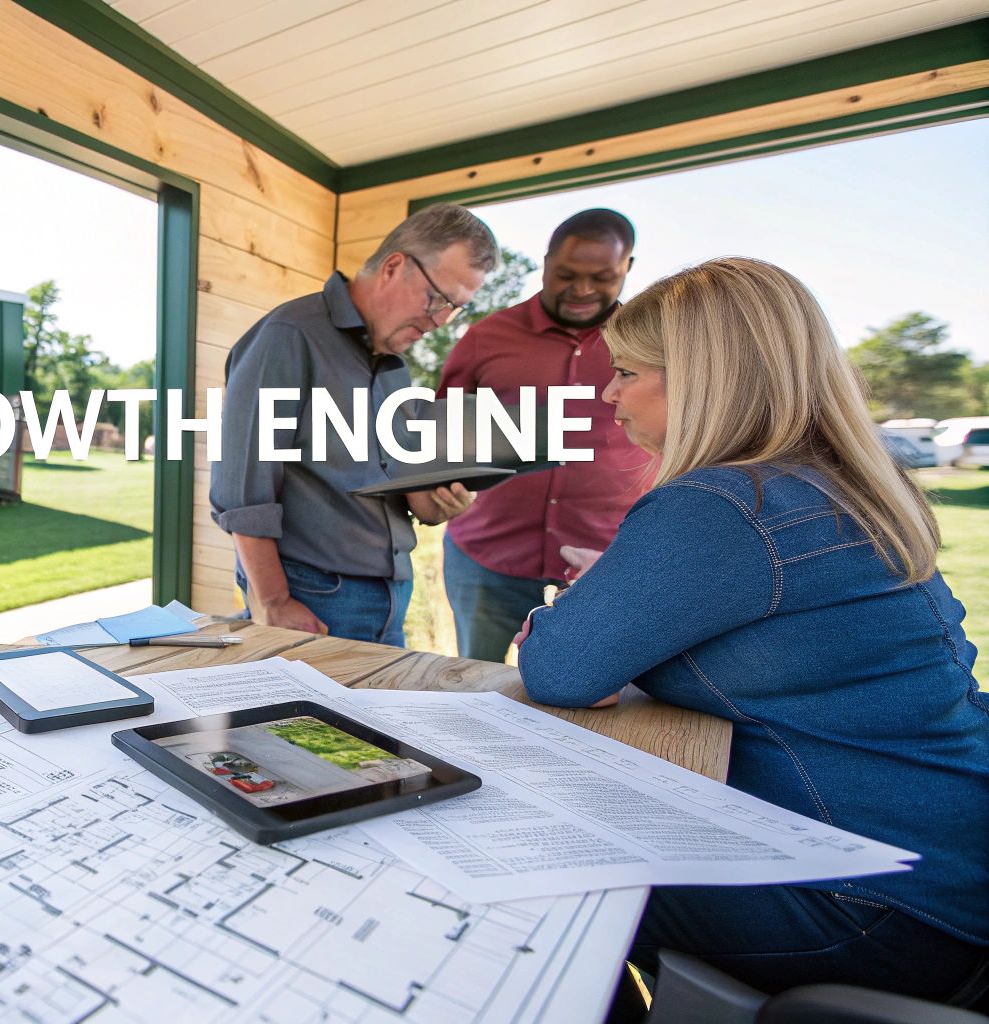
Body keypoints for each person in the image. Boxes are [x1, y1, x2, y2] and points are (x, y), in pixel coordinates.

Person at [516, 257, 989, 1002]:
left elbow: (561, 666)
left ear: (705, 380)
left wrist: (565, 618)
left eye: (629, 371)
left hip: (867, 900)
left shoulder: (725, 502)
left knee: (530, 864)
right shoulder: (848, 486)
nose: (608, 393)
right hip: (946, 865)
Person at [210, 203, 496, 646]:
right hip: (313, 597)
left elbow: (400, 481)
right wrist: (272, 600)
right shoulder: (290, 335)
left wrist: (440, 503)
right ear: (394, 266)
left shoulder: (394, 366)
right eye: (438, 299)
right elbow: (242, 489)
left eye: (455, 309)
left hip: (389, 597)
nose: (440, 321)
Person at [437, 209, 652, 662]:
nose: (582, 290)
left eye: (602, 276)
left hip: (608, 561)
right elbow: (440, 435)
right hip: (487, 555)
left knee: (597, 698)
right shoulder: (486, 337)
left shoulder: (654, 345)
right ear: (546, 261)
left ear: (628, 268)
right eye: (567, 274)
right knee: (472, 686)